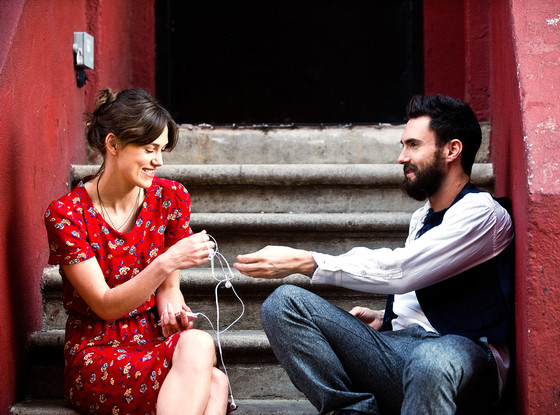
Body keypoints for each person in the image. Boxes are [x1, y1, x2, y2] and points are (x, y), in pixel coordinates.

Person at [233, 94, 515, 415]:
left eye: (413, 145)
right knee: (283, 303)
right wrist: (386, 318)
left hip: (464, 357)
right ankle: (353, 409)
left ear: (452, 150)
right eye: (403, 145)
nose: (401, 157)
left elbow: (403, 270)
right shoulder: (422, 217)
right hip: (401, 350)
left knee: (430, 358)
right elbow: (425, 287)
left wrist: (306, 261)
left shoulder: (481, 214)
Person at [44, 88, 229, 415]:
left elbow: (169, 289)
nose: (159, 161)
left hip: (152, 339)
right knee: (212, 380)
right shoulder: (68, 214)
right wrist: (168, 261)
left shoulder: (171, 198)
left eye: (161, 149)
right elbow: (105, 306)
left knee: (212, 370)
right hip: (97, 350)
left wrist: (172, 311)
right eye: (149, 149)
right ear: (113, 144)